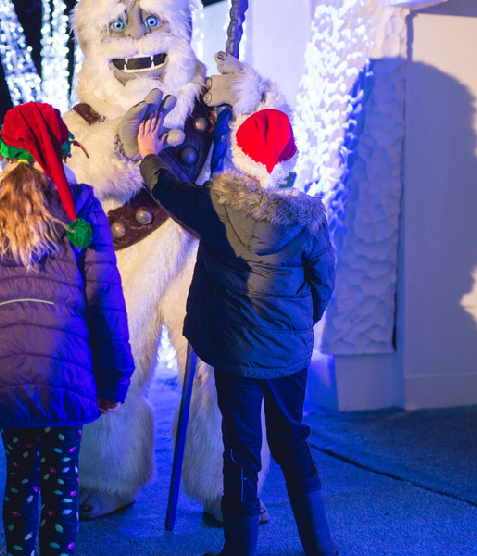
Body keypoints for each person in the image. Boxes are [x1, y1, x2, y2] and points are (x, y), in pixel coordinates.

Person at [137, 107, 339, 556]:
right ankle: (321, 547)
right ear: (290, 157)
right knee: (291, 438)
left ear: (241, 155)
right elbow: (324, 282)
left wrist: (149, 155)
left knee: (241, 447)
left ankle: (239, 550)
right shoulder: (308, 220)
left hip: (235, 352)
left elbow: (169, 191)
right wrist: (298, 324)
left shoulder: (217, 205)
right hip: (287, 353)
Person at [0, 101, 135, 556]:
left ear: (4, 148)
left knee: (20, 476)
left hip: (0, 374)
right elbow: (105, 301)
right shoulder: (80, 207)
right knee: (62, 481)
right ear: (61, 145)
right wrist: (112, 379)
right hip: (65, 375)